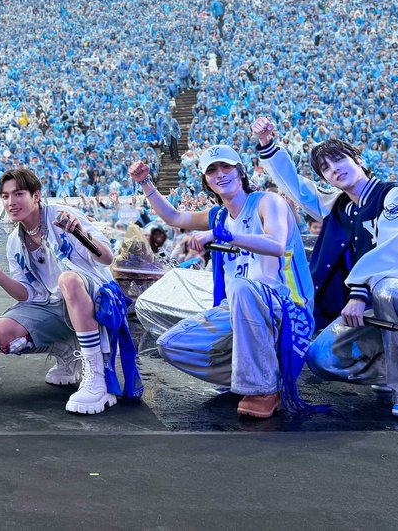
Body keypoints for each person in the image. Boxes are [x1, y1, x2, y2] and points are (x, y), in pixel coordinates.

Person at [252, 117, 398, 420]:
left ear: (358, 159)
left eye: (339, 160)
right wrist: (269, 146)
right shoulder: (341, 205)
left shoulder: (395, 196)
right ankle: (394, 371)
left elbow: (394, 251)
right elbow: (299, 190)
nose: (335, 170)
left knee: (387, 289)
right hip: (375, 309)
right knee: (321, 358)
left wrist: (358, 290)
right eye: (326, 169)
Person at [129, 145, 316, 419]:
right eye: (212, 170)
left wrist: (224, 236)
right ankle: (253, 373)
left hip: (285, 305)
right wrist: (146, 182)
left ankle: (263, 389)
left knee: (242, 287)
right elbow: (174, 217)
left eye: (226, 167)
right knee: (171, 345)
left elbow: (276, 244)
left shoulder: (268, 202)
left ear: (240, 171)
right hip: (237, 308)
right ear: (206, 180)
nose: (220, 174)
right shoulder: (217, 215)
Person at [0, 167, 135, 415]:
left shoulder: (62, 216)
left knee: (68, 280)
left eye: (18, 193)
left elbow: (107, 258)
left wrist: (79, 233)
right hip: (54, 304)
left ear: (36, 196)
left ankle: (97, 377)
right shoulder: (15, 240)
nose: (11, 202)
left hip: (94, 298)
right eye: (5, 196)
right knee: (4, 333)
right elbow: (26, 294)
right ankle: (67, 352)